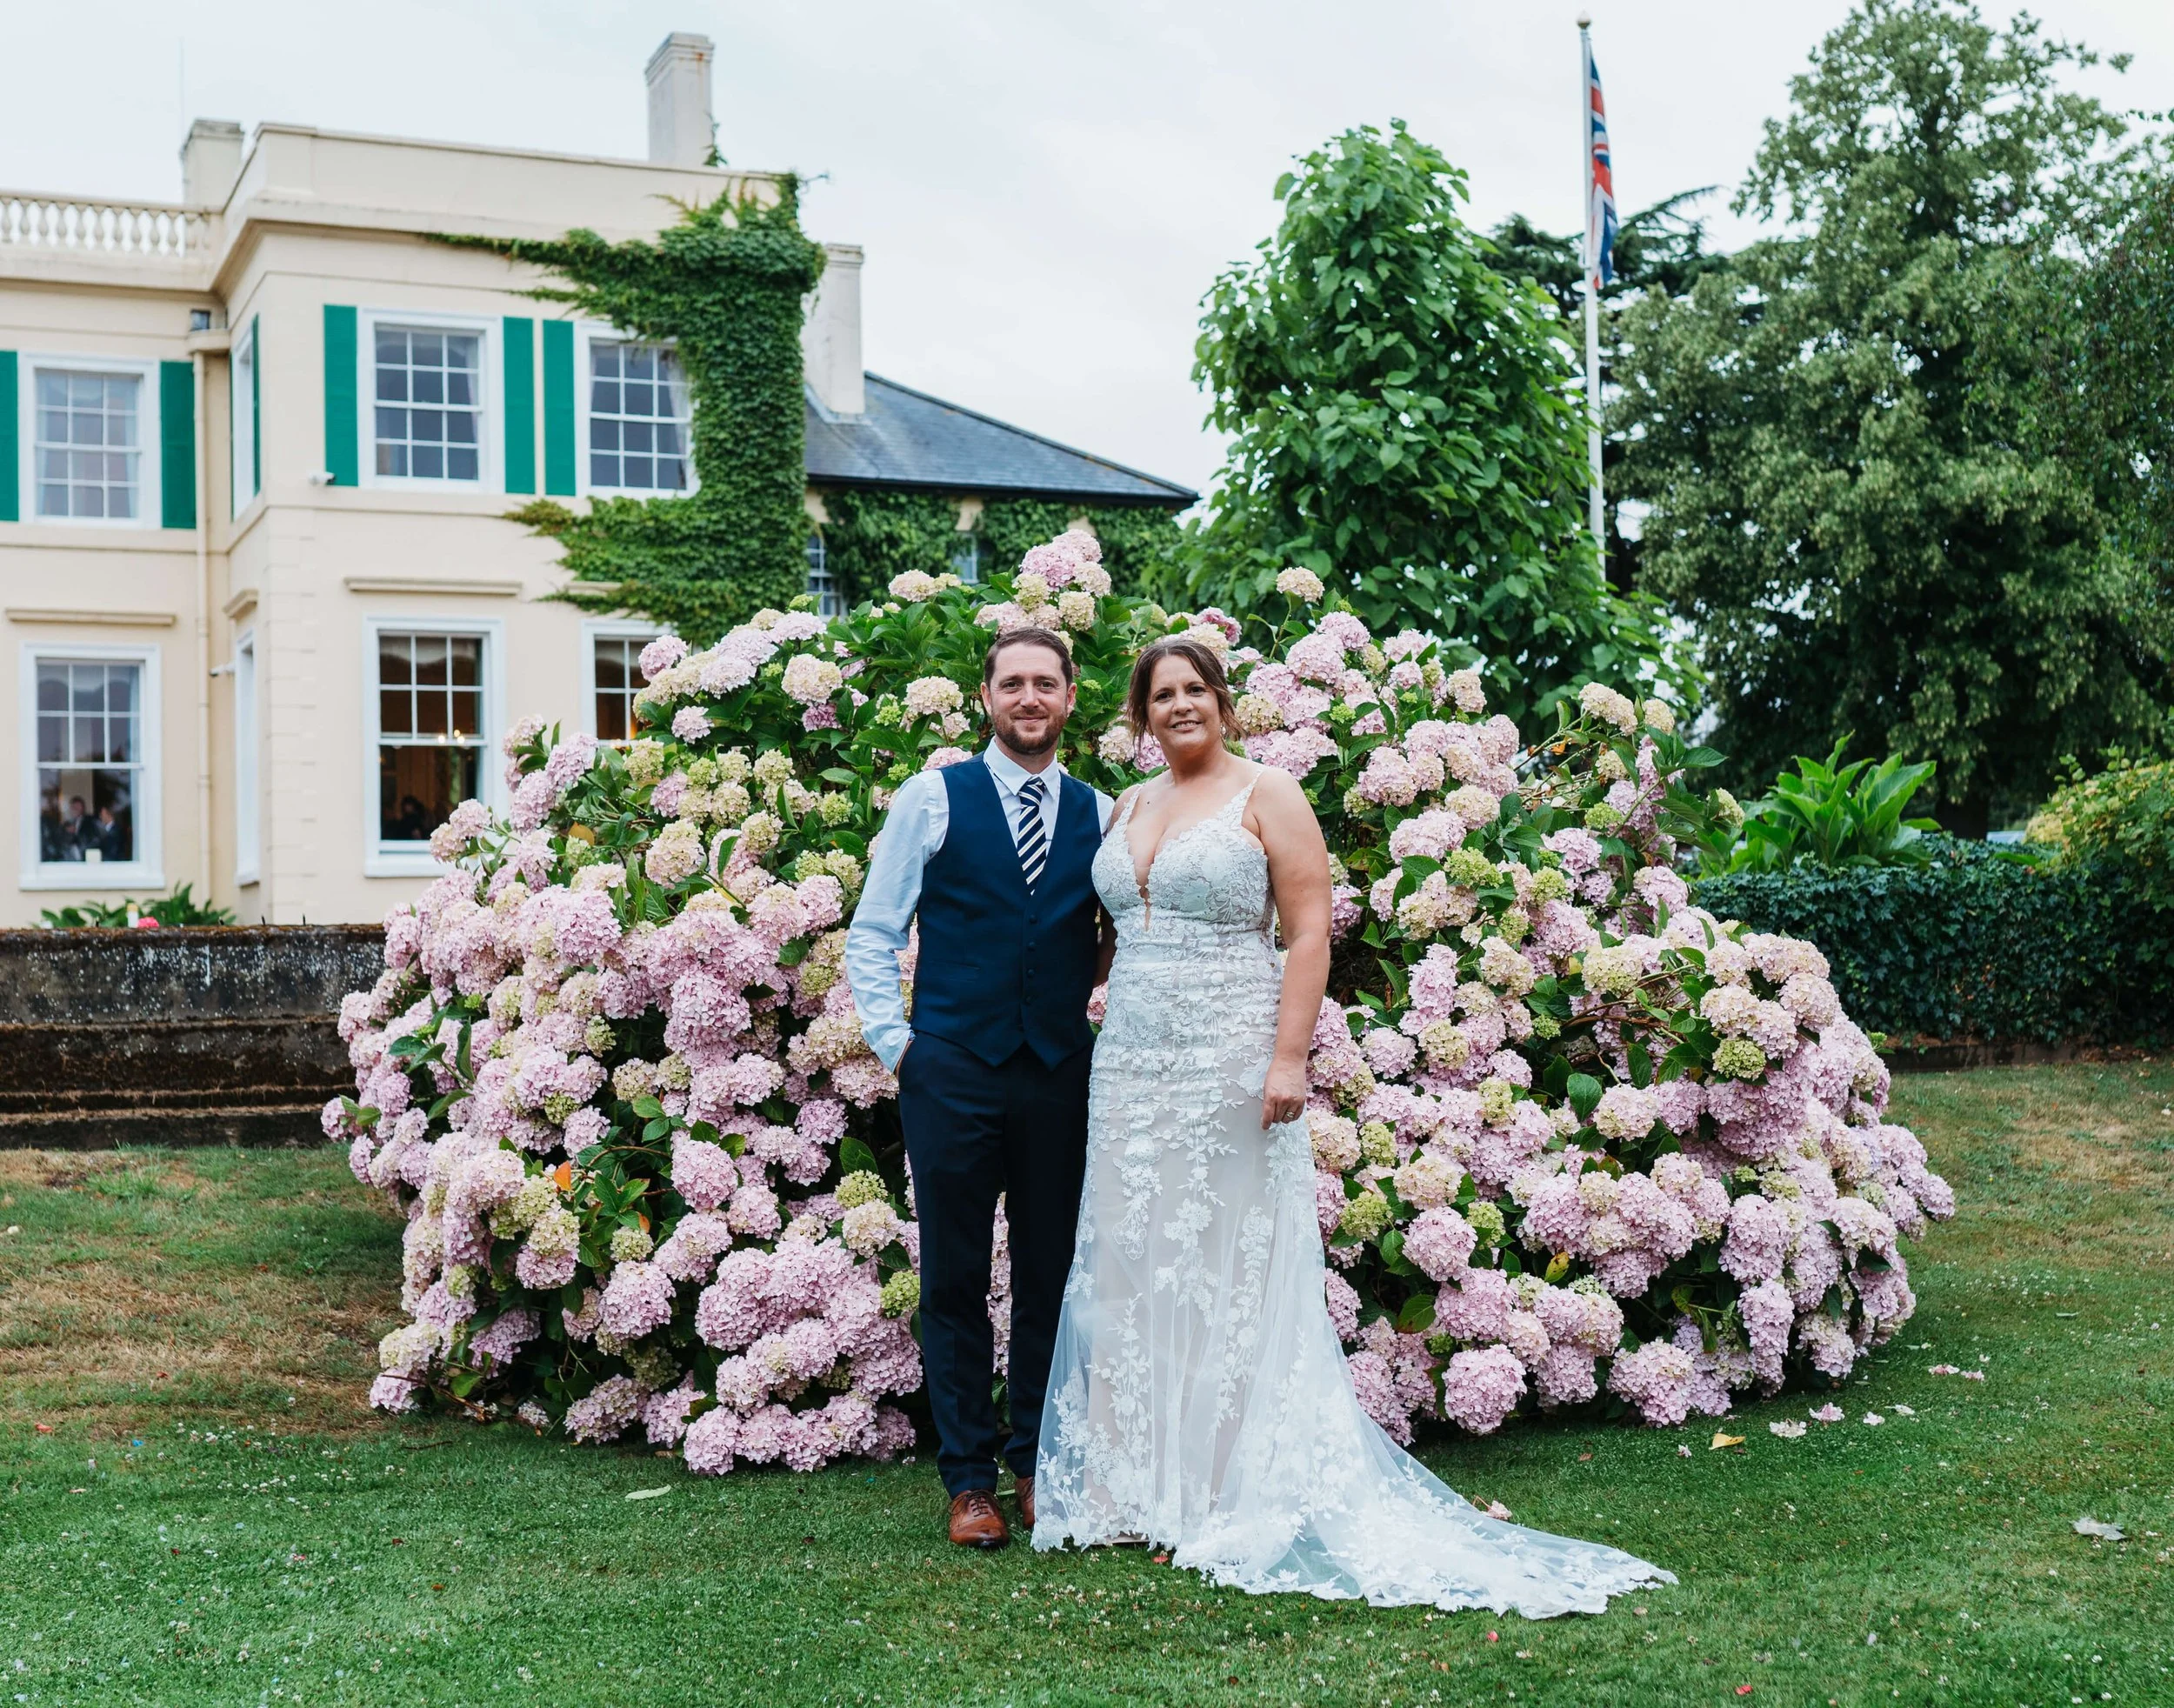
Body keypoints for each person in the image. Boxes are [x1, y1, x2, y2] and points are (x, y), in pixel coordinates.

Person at [1030, 635, 1673, 1617]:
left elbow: (1310, 932)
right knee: (1133, 1257)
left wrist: (1287, 1058)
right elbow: (1116, 933)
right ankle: (1135, 1485)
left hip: (1231, 1059)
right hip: (1132, 1067)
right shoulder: (1127, 805)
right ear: (1140, 713)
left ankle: (1220, 1487)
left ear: (1223, 701)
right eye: (1161, 695)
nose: (1178, 706)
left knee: (1224, 1262)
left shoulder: (1268, 792)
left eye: (1194, 688)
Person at [844, 625, 1112, 1550]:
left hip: (1056, 1073)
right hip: (950, 1069)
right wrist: (900, 1046)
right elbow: (873, 930)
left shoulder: (1102, 811)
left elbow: (1118, 932)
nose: (1029, 698)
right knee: (954, 1276)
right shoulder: (932, 796)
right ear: (985, 696)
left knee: (1049, 1273)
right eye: (1012, 684)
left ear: (1070, 696)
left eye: (1046, 682)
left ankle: (1036, 1460)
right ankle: (968, 1480)